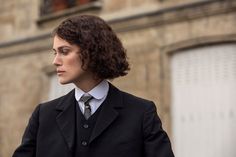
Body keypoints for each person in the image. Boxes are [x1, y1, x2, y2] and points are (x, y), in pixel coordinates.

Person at [12, 15, 174, 157]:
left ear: (92, 51)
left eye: (64, 51)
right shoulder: (43, 116)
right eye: (55, 52)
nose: (55, 61)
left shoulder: (141, 113)